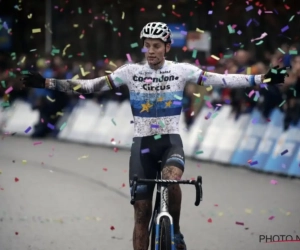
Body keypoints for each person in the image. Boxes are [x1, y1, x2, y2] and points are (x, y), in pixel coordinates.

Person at [21, 22, 289, 250]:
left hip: (171, 142)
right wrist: (47, 83)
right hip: (143, 147)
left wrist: (263, 79)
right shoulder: (130, 72)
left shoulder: (181, 70)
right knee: (141, 213)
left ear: (167, 47)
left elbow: (222, 79)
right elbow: (91, 86)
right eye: (146, 45)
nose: (150, 51)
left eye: (156, 46)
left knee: (172, 179)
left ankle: (176, 230)